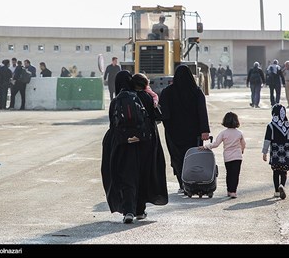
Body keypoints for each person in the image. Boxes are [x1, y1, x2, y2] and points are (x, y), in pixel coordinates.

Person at [101, 70, 168, 224]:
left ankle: (128, 210)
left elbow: (113, 124)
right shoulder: (143, 96)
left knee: (126, 176)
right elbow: (156, 117)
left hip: (123, 145)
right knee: (142, 175)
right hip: (145, 144)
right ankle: (140, 209)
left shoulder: (116, 101)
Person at [159, 64, 210, 193]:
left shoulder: (167, 92)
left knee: (177, 158)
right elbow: (202, 112)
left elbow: (164, 114)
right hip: (193, 133)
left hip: (173, 133)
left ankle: (182, 184)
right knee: (192, 157)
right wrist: (204, 130)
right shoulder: (196, 91)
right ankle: (192, 183)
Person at [199, 112, 246, 198]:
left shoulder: (223, 133)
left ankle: (229, 190)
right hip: (238, 157)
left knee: (229, 173)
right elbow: (243, 144)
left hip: (227, 157)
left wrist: (205, 146)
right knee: (235, 174)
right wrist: (242, 150)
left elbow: (216, 144)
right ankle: (233, 191)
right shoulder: (239, 133)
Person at [262, 104, 289, 199]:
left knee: (276, 172)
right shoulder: (288, 126)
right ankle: (282, 185)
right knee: (284, 171)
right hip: (285, 152)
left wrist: (264, 152)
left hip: (275, 153)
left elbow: (267, 140)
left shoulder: (270, 126)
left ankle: (277, 191)